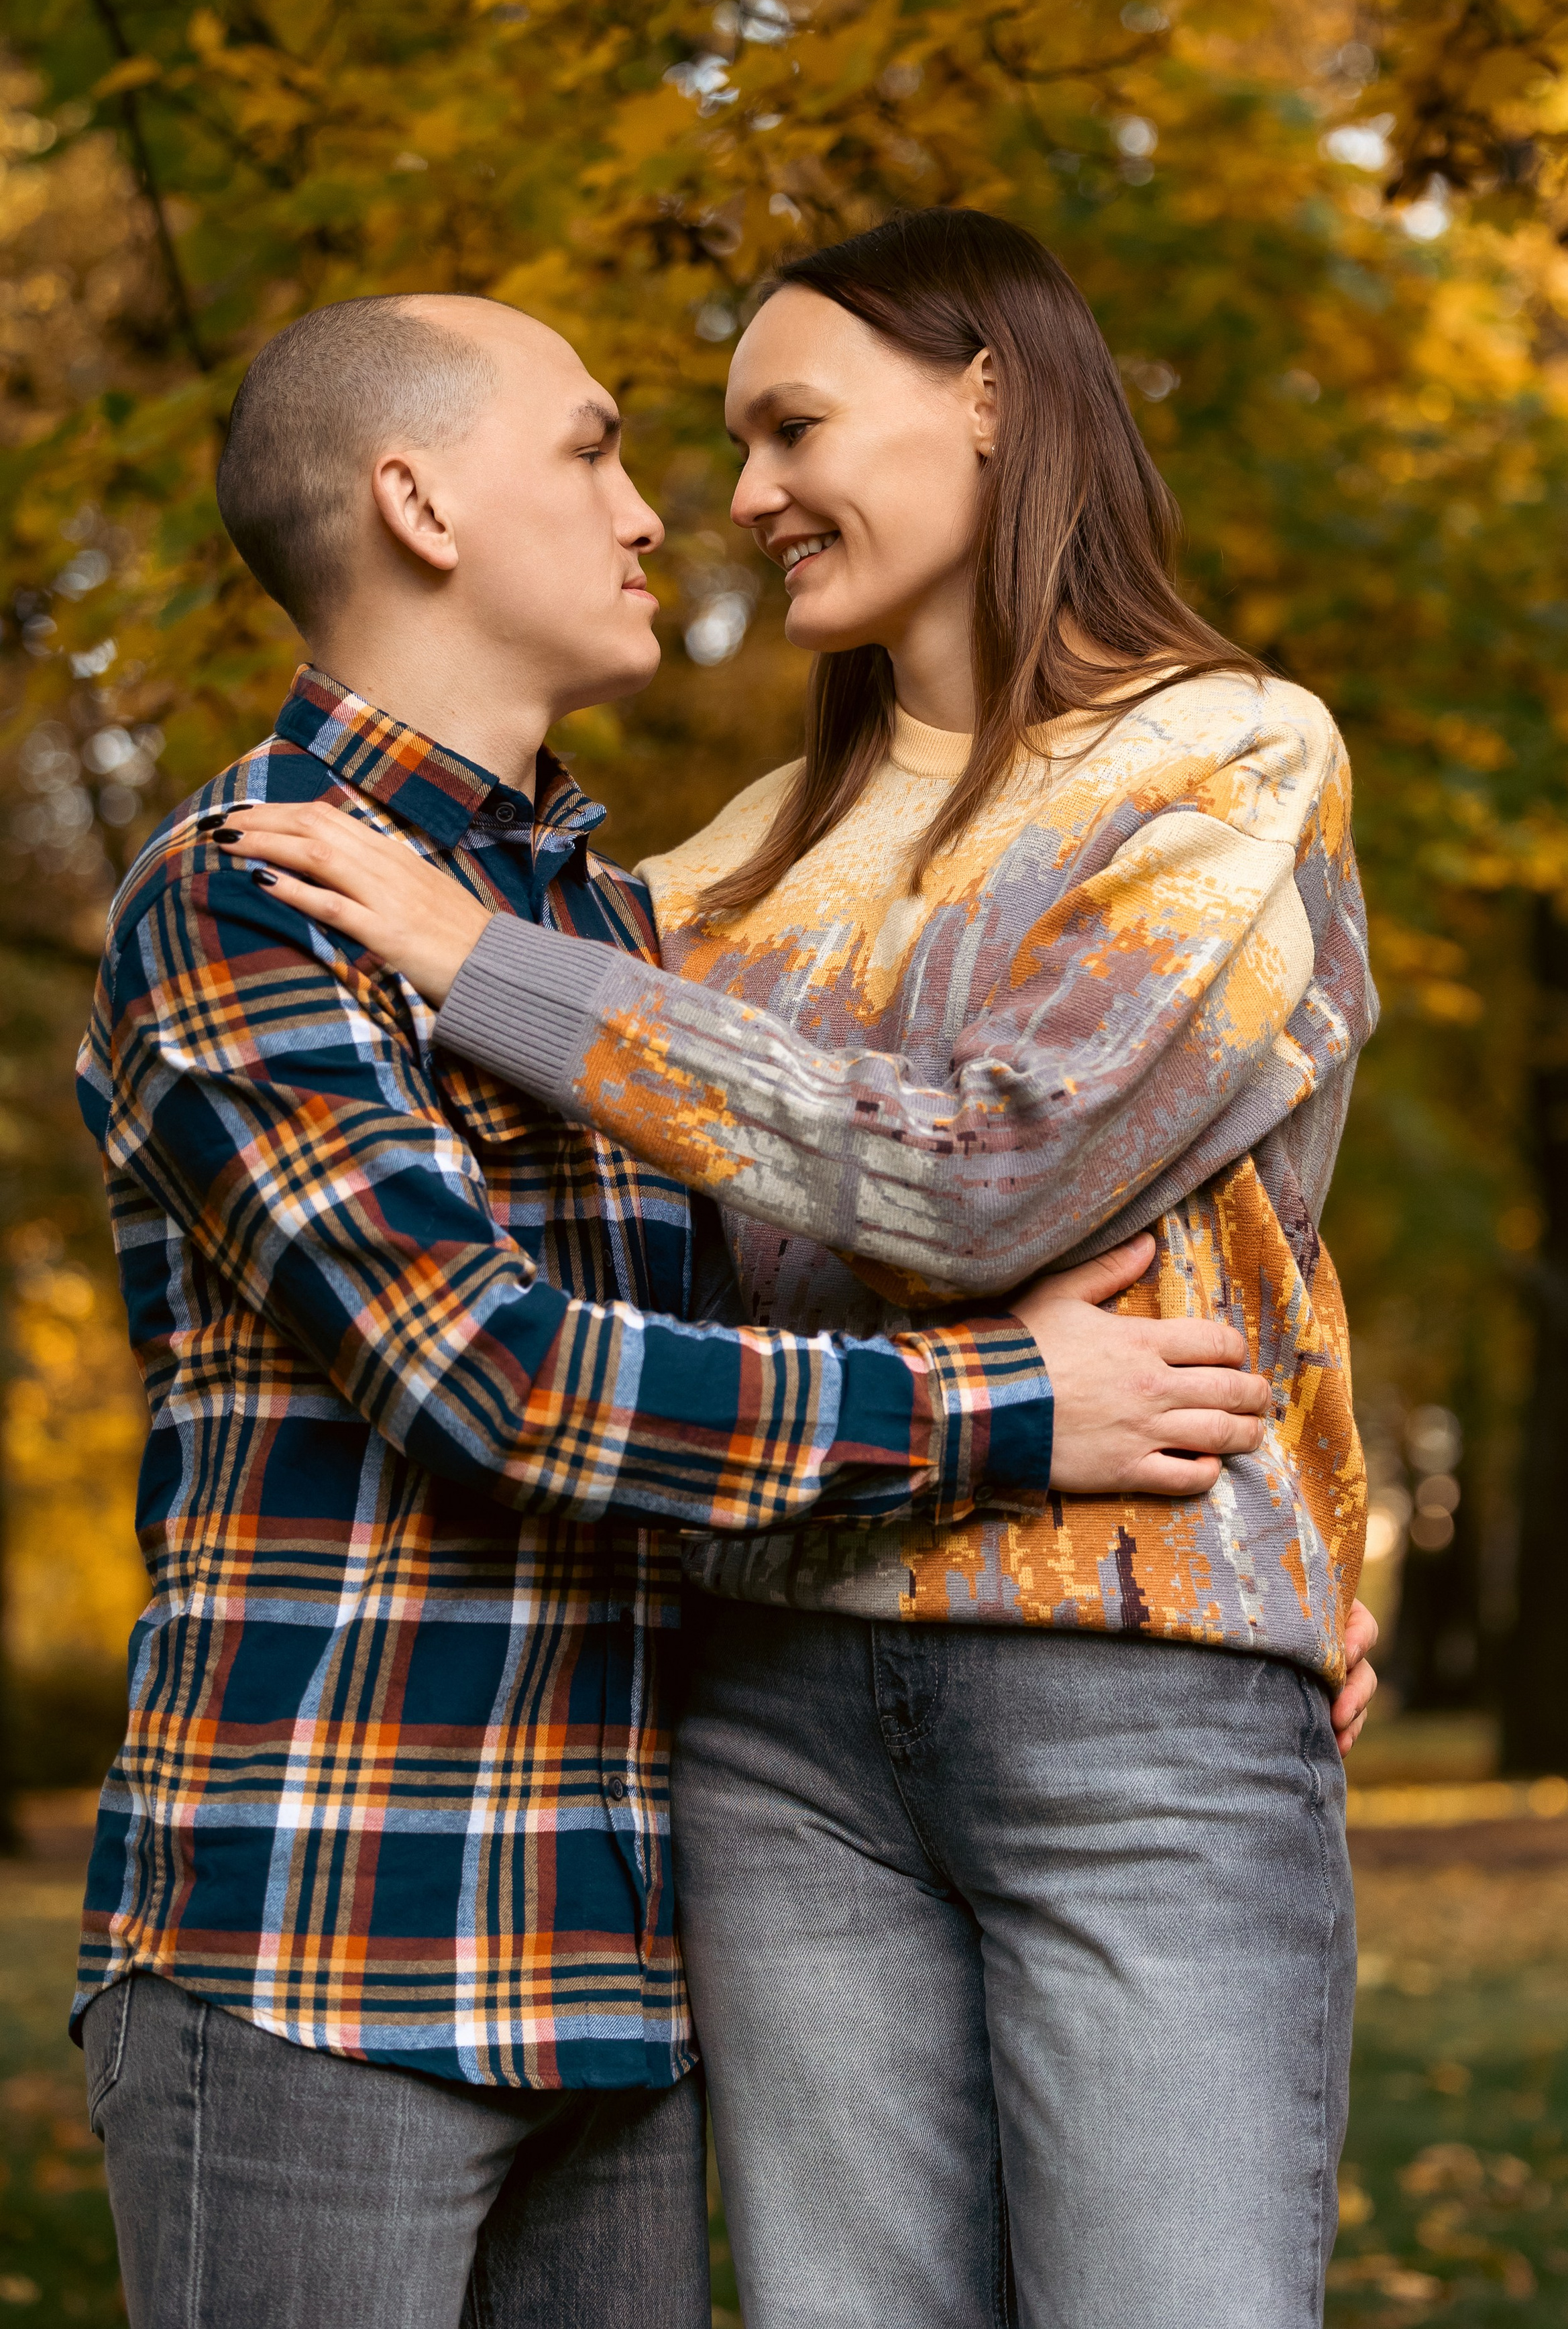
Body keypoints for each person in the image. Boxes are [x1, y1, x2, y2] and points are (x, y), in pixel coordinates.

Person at [73, 288, 1288, 2329]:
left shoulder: (617, 930)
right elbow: (501, 1385)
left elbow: (855, 1242)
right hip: (321, 1940)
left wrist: (1263, 1532)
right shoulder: (247, 891)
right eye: (595, 449)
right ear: (419, 504)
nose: (660, 513)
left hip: (614, 1981)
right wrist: (1007, 1406)